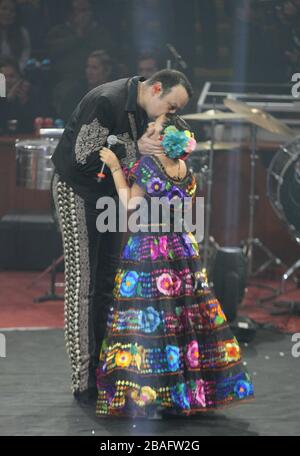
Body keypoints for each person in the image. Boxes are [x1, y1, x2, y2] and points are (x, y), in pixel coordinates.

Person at [95, 113, 254, 418]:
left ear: (167, 139)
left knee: (148, 320)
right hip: (181, 247)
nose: (149, 133)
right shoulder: (184, 169)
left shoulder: (147, 167)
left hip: (150, 249)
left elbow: (130, 205)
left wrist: (115, 167)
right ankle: (185, 394)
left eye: (154, 130)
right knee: (183, 318)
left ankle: (150, 396)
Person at [51, 69, 193, 403]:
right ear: (156, 88)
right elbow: (85, 157)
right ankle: (83, 379)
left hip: (112, 197)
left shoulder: (150, 114)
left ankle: (105, 370)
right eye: (171, 106)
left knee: (109, 282)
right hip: (79, 191)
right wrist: (135, 151)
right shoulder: (107, 100)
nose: (172, 115)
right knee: (83, 283)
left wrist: (146, 153)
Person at [53, 50, 114, 122]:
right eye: (88, 67)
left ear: (107, 71)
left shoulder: (114, 94)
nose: (89, 71)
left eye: (94, 68)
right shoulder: (76, 93)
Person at [0, 57, 49, 133]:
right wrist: (8, 100)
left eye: (12, 76)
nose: (8, 81)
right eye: (4, 77)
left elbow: (39, 119)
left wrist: (24, 101)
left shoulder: (31, 93)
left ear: (19, 77)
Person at [0, 0, 31, 71]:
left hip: (15, 74)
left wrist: (17, 70)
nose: (8, 13)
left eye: (12, 11)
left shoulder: (22, 33)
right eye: (4, 9)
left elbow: (25, 56)